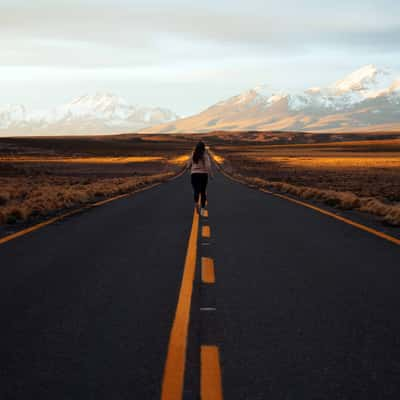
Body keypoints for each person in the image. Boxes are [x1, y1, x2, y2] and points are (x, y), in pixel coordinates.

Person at [187, 141, 214, 215]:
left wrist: (189, 168)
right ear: (203, 148)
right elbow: (208, 166)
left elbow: (188, 164)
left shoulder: (193, 154)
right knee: (203, 192)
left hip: (194, 175)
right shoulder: (205, 155)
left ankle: (196, 204)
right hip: (203, 175)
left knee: (196, 190)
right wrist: (211, 175)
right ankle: (202, 209)